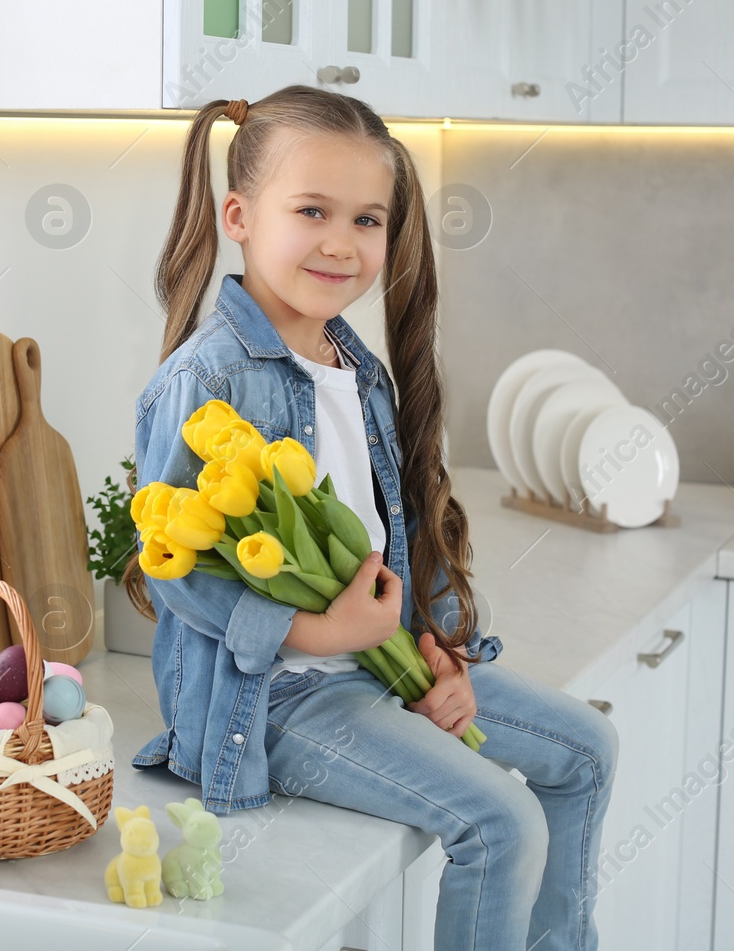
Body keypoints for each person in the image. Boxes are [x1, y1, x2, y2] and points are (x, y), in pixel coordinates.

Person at [122, 85, 619, 951]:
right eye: (311, 210)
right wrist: (315, 634)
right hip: (275, 698)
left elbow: (401, 535)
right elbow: (178, 572)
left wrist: (443, 651)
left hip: (377, 667)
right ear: (239, 214)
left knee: (587, 750)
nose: (340, 243)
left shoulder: (356, 365)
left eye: (366, 220)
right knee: (501, 823)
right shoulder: (207, 379)